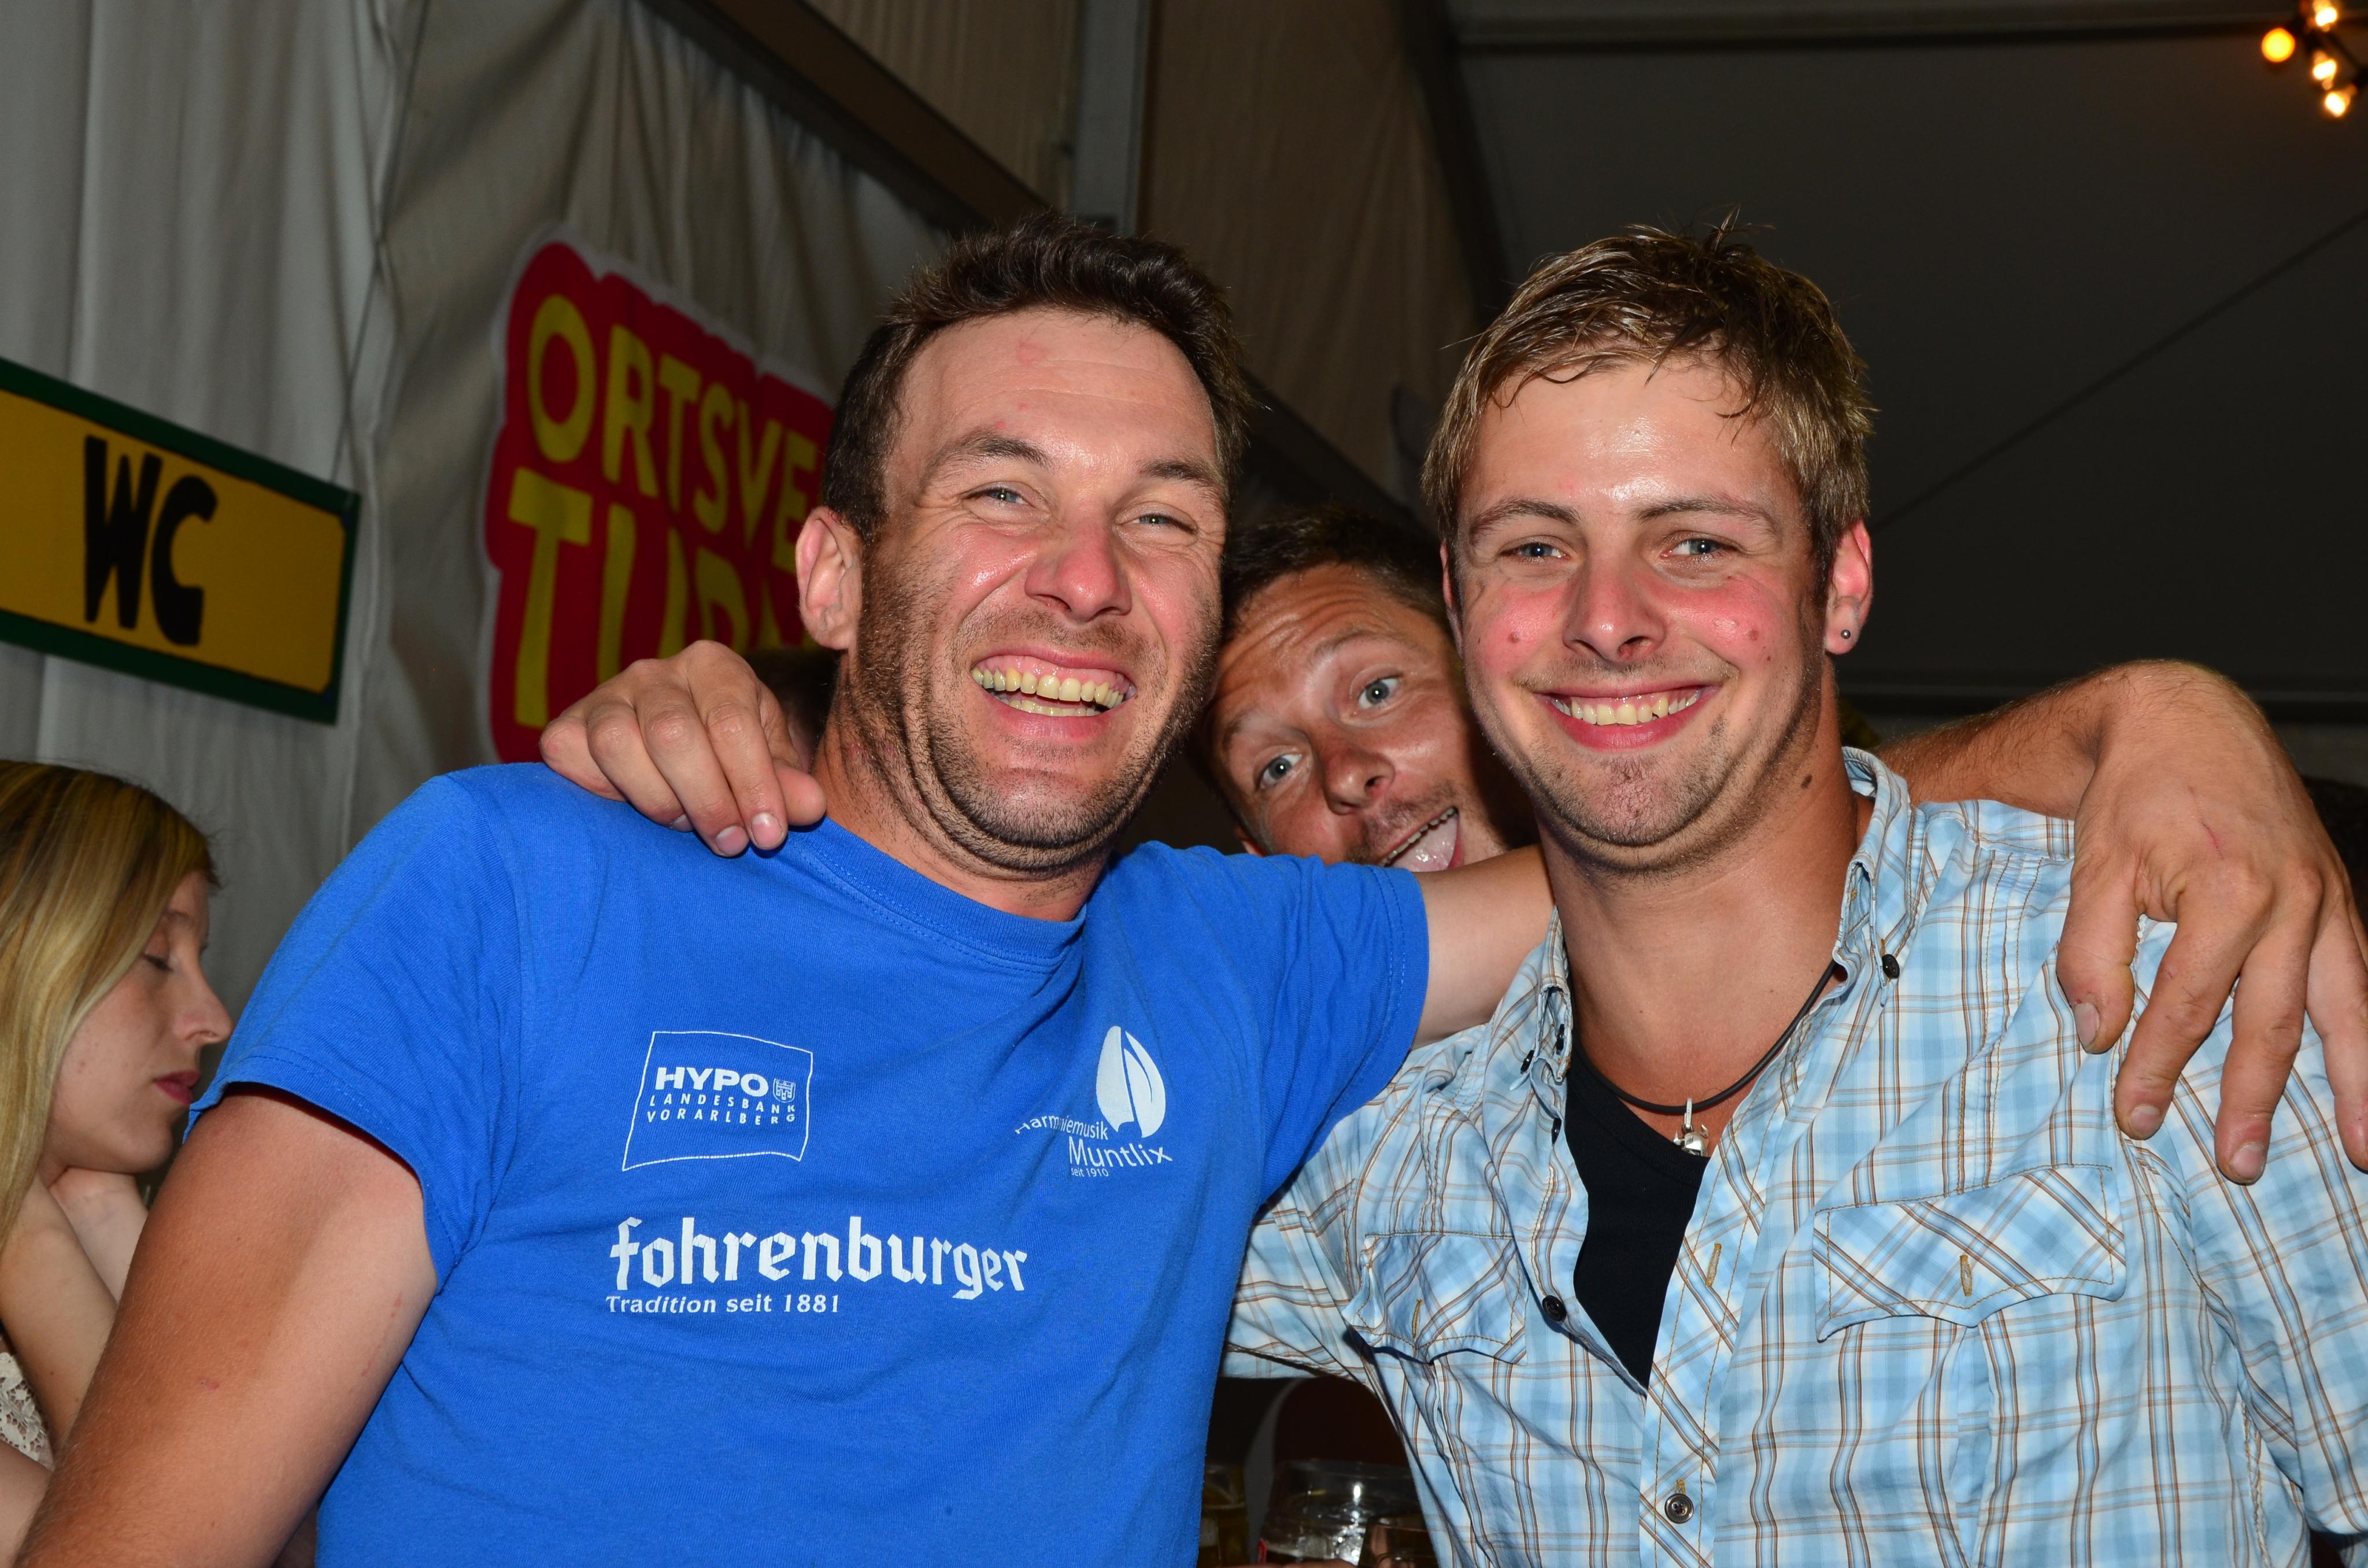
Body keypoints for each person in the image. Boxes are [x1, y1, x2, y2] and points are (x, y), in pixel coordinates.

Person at [30, 216, 2361, 1568]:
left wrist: (2130, 720)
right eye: (1001, 496)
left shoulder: (1243, 973)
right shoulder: (513, 886)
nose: (1084, 576)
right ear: (829, 576)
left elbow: (1692, 811)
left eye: (1158, 516)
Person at [1215, 227, 2368, 1562]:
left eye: (1695, 541)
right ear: (1464, 609)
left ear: (1839, 583)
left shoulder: (2149, 971)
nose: (1606, 615)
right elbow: (1022, 1229)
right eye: (1531, 548)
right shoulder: (1389, 1157)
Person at [0, 763, 230, 1552]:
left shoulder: (90, 1212)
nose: (214, 1019)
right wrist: (32, 1251)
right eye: (159, 958)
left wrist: (104, 1222)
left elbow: (288, 1537)